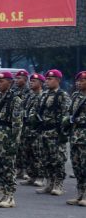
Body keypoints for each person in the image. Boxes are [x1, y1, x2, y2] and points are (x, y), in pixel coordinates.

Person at [0, 72, 22, 208]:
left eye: (2, 81)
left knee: (8, 168)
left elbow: (17, 123)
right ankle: (1, 195)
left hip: (7, 138)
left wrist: (15, 141)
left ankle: (9, 196)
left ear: (10, 83)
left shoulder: (15, 99)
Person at [32, 69, 71, 196]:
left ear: (58, 80)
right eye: (47, 79)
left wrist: (62, 131)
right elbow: (38, 111)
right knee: (45, 158)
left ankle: (58, 184)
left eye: (50, 79)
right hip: (43, 131)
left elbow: (66, 114)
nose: (47, 81)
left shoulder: (62, 95)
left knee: (57, 159)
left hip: (55, 132)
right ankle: (49, 183)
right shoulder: (43, 95)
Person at [18, 74, 45, 187]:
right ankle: (31, 176)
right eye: (31, 81)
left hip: (37, 129)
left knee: (38, 153)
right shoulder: (29, 96)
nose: (31, 83)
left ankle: (40, 176)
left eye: (34, 81)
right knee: (27, 153)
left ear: (40, 83)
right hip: (27, 128)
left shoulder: (43, 96)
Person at [66, 71, 86, 206]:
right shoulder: (75, 95)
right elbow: (69, 112)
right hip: (75, 136)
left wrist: (76, 119)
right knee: (77, 166)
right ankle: (80, 194)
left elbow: (76, 117)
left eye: (82, 81)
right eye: (77, 81)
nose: (78, 83)